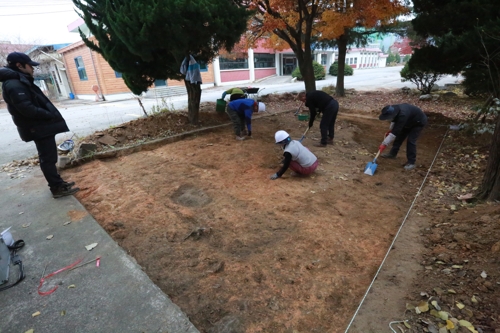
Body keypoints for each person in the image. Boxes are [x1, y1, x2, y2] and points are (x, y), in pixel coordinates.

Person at [0, 52, 80, 198]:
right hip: (38, 127)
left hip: (40, 127)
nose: (33, 68)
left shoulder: (18, 79)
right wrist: (48, 114)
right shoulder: (14, 83)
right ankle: (57, 188)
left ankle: (58, 183)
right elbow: (26, 109)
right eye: (30, 65)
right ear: (19, 65)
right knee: (48, 159)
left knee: (49, 157)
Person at [378, 104, 428, 171]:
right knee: (399, 138)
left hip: (418, 122)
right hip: (408, 121)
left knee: (411, 141)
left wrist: (384, 144)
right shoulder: (394, 110)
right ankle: (392, 154)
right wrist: (391, 130)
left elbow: (395, 131)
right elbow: (394, 123)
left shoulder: (402, 115)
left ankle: (411, 162)